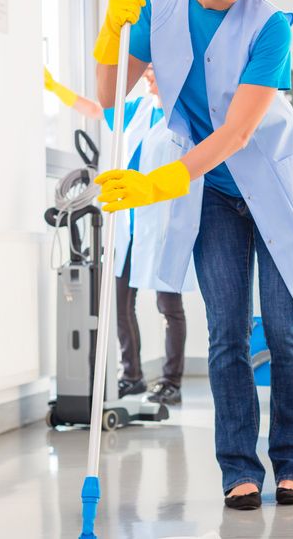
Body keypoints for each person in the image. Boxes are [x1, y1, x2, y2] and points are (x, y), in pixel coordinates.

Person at [91, 0, 293, 510]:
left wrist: (159, 183)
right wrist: (110, 30)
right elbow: (109, 95)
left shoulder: (270, 25)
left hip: (276, 194)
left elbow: (235, 133)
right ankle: (238, 468)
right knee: (228, 334)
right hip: (211, 196)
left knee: (285, 333)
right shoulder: (159, 5)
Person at [43, 65, 194, 405]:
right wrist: (55, 88)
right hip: (128, 223)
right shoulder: (138, 109)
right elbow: (96, 110)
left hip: (161, 222)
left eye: (155, 70)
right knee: (121, 303)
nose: (149, 75)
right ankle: (133, 376)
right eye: (148, 70)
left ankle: (172, 380)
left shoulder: (182, 114)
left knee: (168, 304)